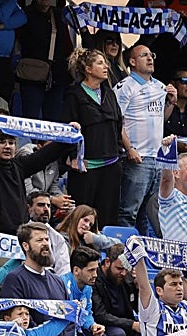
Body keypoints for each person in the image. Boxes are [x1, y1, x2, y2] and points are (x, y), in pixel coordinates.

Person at [63, 49, 123, 227]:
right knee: (82, 216)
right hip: (86, 167)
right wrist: (74, 157)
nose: (106, 66)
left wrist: (119, 152)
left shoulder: (109, 93)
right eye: (100, 63)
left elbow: (118, 124)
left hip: (111, 165)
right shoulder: (74, 94)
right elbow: (68, 128)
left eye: (105, 63)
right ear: (88, 69)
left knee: (108, 216)